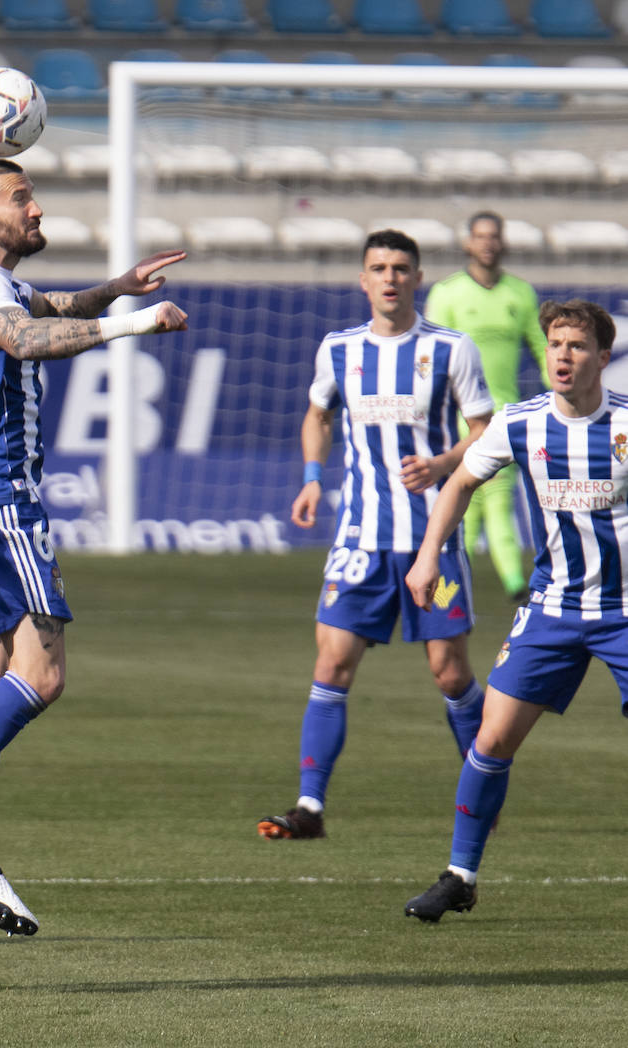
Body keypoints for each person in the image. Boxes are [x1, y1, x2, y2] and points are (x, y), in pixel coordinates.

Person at [0, 156, 189, 935]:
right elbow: (23, 337)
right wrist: (134, 323)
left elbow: (49, 302)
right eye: (23, 198)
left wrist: (114, 288)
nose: (37, 206)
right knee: (44, 673)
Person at [256, 229, 495, 842]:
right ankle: (309, 808)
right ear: (363, 280)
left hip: (430, 548)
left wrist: (442, 466)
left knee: (449, 672)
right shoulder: (338, 349)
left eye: (400, 268)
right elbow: (318, 412)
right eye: (378, 268)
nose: (389, 278)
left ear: (418, 278)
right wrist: (312, 478)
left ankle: (485, 783)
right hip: (359, 544)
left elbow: (486, 432)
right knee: (332, 665)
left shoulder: (451, 350)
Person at [404, 300, 627, 921]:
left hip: (626, 610)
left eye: (577, 346)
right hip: (553, 607)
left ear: (602, 359)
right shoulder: (520, 422)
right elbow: (459, 484)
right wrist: (427, 558)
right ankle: (460, 875)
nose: (562, 355)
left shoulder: (625, 427)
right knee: (492, 736)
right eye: (555, 343)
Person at [425, 211, 548, 603]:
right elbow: (430, 358)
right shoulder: (447, 293)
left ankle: (510, 582)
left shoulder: (521, 294)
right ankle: (470, 581)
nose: (488, 243)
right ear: (468, 243)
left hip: (504, 416)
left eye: (494, 236)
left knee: (495, 499)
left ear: (502, 241)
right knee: (467, 502)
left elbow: (545, 352)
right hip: (460, 417)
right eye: (480, 236)